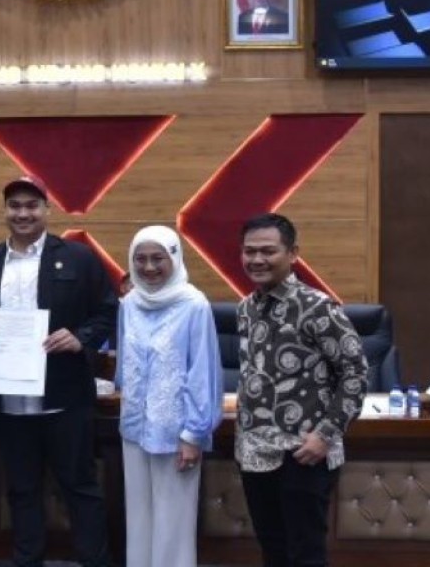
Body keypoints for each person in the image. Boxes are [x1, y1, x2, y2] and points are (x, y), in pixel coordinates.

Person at [0, 174, 117, 567]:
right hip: (7, 403)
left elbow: (108, 311)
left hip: (64, 400)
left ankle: (94, 561)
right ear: (5, 211)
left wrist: (81, 338)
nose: (23, 213)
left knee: (80, 488)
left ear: (47, 210)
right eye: (15, 206)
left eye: (31, 206)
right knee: (21, 491)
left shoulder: (78, 258)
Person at [235, 213, 367, 567]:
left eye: (268, 251)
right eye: (249, 251)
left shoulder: (318, 307)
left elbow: (355, 373)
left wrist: (326, 435)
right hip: (255, 452)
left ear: (293, 253)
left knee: (305, 552)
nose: (257, 260)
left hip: (303, 452)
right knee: (272, 547)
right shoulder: (246, 307)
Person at [114, 226, 222, 567]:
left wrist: (194, 434)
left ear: (174, 258)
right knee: (139, 517)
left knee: (173, 522)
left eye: (157, 258)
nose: (148, 267)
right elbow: (123, 362)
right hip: (133, 429)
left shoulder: (194, 305)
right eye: (140, 259)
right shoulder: (129, 303)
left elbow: (203, 373)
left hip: (177, 433)